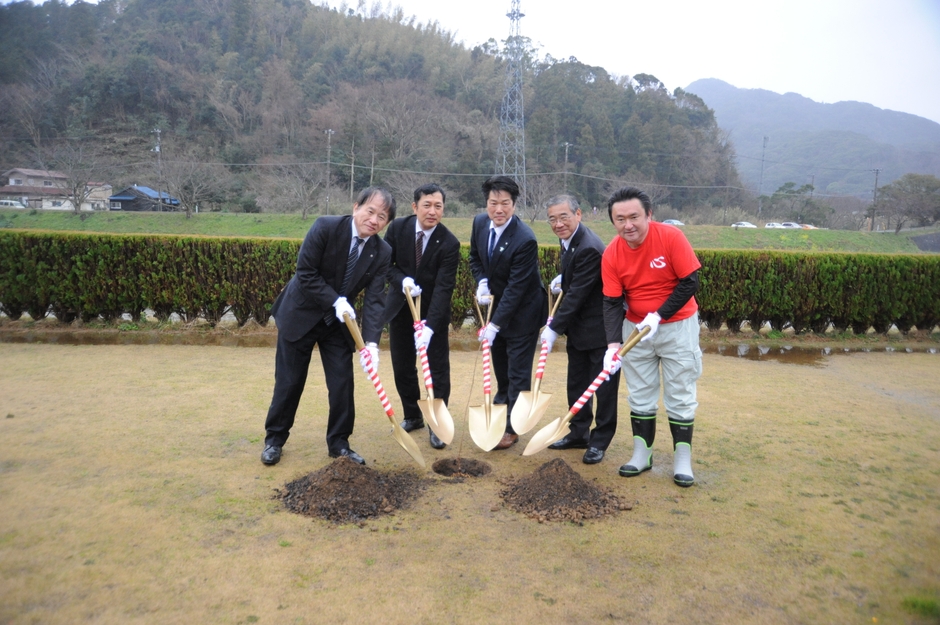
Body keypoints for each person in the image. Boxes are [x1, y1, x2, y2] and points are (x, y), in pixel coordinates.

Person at [261, 187, 395, 467]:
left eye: (382, 216)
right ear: (356, 206)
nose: (374, 219)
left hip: (338, 324)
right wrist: (335, 300)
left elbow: (375, 300)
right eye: (370, 211)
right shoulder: (326, 226)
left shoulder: (381, 251)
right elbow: (305, 273)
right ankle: (274, 439)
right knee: (289, 381)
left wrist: (371, 343)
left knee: (342, 383)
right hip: (300, 314)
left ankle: (339, 445)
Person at [601, 187, 702, 487]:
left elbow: (689, 282)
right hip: (634, 329)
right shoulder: (612, 253)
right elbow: (610, 301)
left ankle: (682, 459)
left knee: (680, 391)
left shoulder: (671, 237)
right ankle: (641, 454)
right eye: (620, 219)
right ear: (613, 221)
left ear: (648, 215)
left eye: (634, 217)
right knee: (640, 392)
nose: (627, 224)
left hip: (677, 325)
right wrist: (612, 345)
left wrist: (659, 315)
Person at [540, 195, 620, 464]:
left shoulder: (588, 247)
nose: (558, 223)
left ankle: (600, 441)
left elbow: (576, 295)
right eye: (552, 219)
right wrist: (564, 279)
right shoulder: (569, 241)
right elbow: (573, 283)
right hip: (579, 329)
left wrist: (553, 328)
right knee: (577, 383)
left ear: (578, 214)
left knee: (604, 389)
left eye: (564, 217)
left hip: (600, 330)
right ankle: (578, 433)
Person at [468, 175, 548, 449]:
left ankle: (513, 427)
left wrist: (494, 325)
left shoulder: (525, 239)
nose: (498, 209)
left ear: (514, 205)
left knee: (517, 370)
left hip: (522, 313)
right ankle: (501, 406)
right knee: (499, 364)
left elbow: (516, 289)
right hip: (496, 309)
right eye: (493, 203)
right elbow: (475, 258)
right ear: (486, 203)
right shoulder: (479, 223)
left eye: (505, 203)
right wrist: (481, 281)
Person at [383, 183, 461, 449]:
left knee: (438, 369)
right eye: (427, 205)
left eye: (438, 206)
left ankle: (437, 424)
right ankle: (413, 415)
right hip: (401, 309)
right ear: (415, 207)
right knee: (402, 366)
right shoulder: (397, 229)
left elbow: (443, 288)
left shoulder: (449, 243)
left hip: (432, 314)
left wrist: (430, 326)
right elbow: (385, 265)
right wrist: (401, 280)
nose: (432, 211)